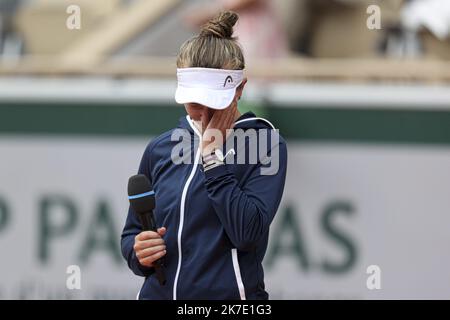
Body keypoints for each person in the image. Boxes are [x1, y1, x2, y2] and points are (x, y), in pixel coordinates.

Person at [121, 11, 287, 300]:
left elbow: (247, 232)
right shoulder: (160, 147)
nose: (203, 112)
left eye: (212, 100)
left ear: (240, 89)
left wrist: (212, 157)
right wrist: (139, 253)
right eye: (193, 101)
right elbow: (132, 233)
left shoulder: (266, 144)